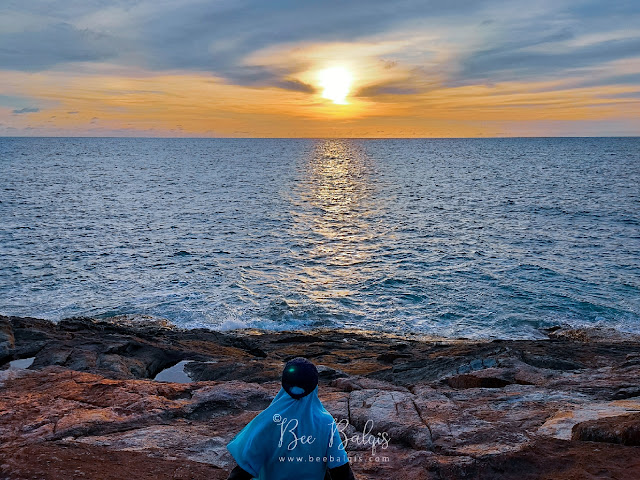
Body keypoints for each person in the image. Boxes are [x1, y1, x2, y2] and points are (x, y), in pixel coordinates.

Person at [226, 357, 356, 480]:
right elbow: (341, 469)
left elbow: (244, 470)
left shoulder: (269, 420)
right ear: (315, 385)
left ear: (284, 383)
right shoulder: (325, 421)